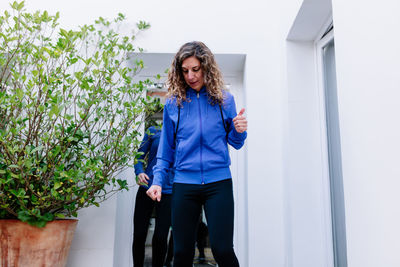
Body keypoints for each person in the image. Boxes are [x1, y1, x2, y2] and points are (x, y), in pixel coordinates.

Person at [147, 41, 247, 267]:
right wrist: (158, 181)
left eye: (195, 69)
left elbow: (236, 142)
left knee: (222, 250)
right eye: (185, 71)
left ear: (206, 67)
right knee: (181, 252)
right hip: (184, 183)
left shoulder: (225, 100)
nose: (190, 76)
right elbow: (166, 149)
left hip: (218, 183)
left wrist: (239, 130)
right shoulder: (174, 104)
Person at [133, 125, 173, 267]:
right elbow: (139, 156)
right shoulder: (153, 131)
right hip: (147, 187)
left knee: (161, 237)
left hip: (168, 190)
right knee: (139, 235)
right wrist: (139, 171)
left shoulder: (181, 132)